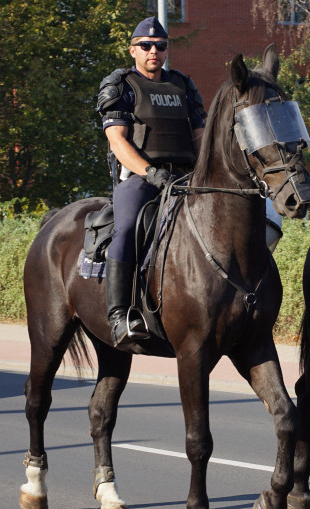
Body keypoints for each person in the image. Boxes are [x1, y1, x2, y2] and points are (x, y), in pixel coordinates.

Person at [95, 16, 206, 348]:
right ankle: (119, 317)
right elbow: (118, 142)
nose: (153, 51)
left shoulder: (183, 85)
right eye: (145, 46)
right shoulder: (122, 85)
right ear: (133, 50)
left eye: (160, 45)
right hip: (143, 179)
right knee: (127, 228)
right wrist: (151, 172)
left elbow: (200, 136)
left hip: (186, 176)